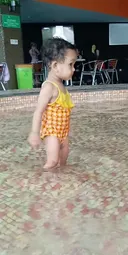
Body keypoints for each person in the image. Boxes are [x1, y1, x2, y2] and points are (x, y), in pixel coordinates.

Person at [28, 38, 77, 171]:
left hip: (63, 132)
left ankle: (60, 183)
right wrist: (34, 133)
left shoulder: (61, 86)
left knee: (63, 161)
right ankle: (45, 181)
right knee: (53, 161)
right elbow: (38, 111)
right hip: (52, 132)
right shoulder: (49, 87)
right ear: (55, 66)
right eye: (71, 64)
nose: (73, 69)